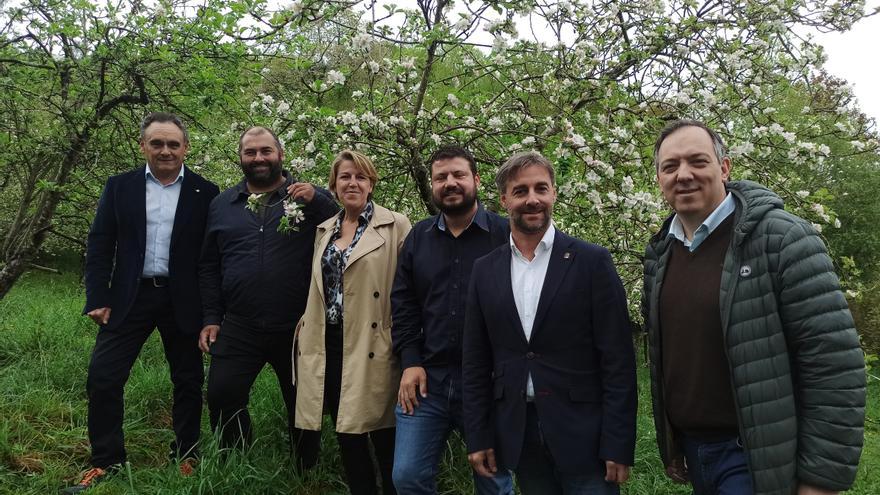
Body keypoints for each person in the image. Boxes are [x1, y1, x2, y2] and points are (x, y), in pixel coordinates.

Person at [643, 119, 866, 495]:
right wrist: (673, 443)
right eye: (670, 166)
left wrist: (821, 480)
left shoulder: (782, 239)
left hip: (754, 454)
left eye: (697, 161)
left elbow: (834, 364)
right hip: (697, 450)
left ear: (724, 168)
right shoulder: (661, 252)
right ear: (660, 179)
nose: (684, 175)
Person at [462, 151, 637, 495]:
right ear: (503, 199)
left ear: (554, 193)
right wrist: (479, 436)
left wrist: (618, 443)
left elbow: (618, 361)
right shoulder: (485, 270)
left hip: (585, 436)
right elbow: (475, 362)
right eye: (520, 191)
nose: (532, 199)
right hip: (520, 433)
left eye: (541, 188)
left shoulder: (591, 262)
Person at [66, 112, 219, 494]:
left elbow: (211, 256)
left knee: (187, 380)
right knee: (103, 378)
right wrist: (97, 297)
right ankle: (106, 461)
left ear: (185, 148)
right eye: (157, 143)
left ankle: (186, 454)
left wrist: (212, 311)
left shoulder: (206, 191)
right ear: (143, 146)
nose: (165, 150)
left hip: (182, 298)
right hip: (128, 298)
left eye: (173, 144)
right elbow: (100, 242)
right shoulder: (120, 187)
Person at [198, 126, 337, 469]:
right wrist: (211, 317)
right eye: (250, 152)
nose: (258, 158)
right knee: (222, 393)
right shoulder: (222, 205)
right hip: (239, 323)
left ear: (280, 154)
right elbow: (208, 265)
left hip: (296, 324)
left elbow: (345, 227)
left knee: (302, 400)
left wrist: (318, 199)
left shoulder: (306, 198)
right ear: (241, 158)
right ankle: (236, 458)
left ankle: (304, 467)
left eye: (265, 151)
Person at [390, 145, 513, 495]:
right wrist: (410, 361)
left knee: (493, 481)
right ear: (432, 185)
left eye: (458, 174)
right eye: (440, 177)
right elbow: (404, 302)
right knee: (407, 476)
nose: (450, 183)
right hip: (430, 379)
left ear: (475, 179)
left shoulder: (505, 235)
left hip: (489, 382)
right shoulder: (419, 237)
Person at [295, 150, 411, 495]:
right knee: (346, 429)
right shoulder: (325, 230)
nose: (353, 183)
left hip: (374, 342)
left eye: (361, 177)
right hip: (329, 342)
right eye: (345, 176)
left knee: (382, 432)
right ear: (333, 185)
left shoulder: (396, 225)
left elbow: (410, 288)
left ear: (371, 183)